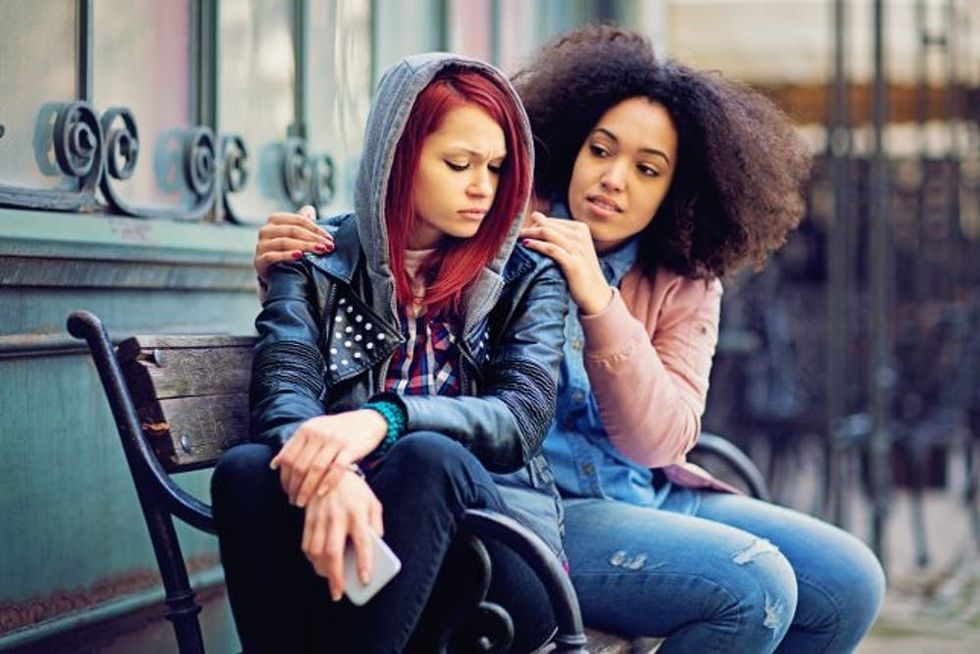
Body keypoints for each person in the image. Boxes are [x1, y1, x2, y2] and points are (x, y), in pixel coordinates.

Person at [255, 27, 886, 654]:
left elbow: (660, 439)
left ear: (679, 189)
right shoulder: (502, 229)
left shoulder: (684, 280)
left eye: (647, 169)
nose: (614, 179)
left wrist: (601, 303)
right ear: (572, 146)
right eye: (601, 151)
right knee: (753, 586)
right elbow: (393, 235)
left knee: (850, 584)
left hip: (645, 494)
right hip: (546, 506)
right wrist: (289, 264)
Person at [213, 53, 569, 654]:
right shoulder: (316, 258)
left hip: (503, 559)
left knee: (426, 456)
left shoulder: (529, 273)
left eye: (497, 167)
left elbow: (520, 418)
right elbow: (284, 392)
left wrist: (384, 419)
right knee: (246, 470)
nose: (483, 187)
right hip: (356, 545)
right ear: (398, 156)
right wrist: (334, 475)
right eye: (459, 163)